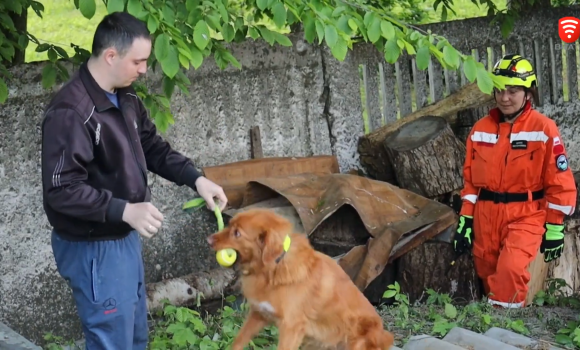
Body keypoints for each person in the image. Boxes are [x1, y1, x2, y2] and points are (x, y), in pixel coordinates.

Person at [40, 11, 228, 349]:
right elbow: (61, 189)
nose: (144, 69)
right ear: (111, 56)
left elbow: (152, 147)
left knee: (134, 336)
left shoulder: (125, 96)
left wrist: (196, 179)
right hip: (93, 246)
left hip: (122, 237)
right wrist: (124, 210)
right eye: (138, 61)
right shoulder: (71, 112)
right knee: (113, 341)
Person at [453, 54, 577, 309]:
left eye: (512, 91)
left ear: (528, 93)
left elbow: (559, 181)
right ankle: (493, 330)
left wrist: (554, 226)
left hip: (526, 214)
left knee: (510, 270)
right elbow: (471, 182)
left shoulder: (544, 129)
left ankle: (506, 332)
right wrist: (466, 218)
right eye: (499, 90)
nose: (504, 97)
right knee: (487, 273)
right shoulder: (480, 130)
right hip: (486, 216)